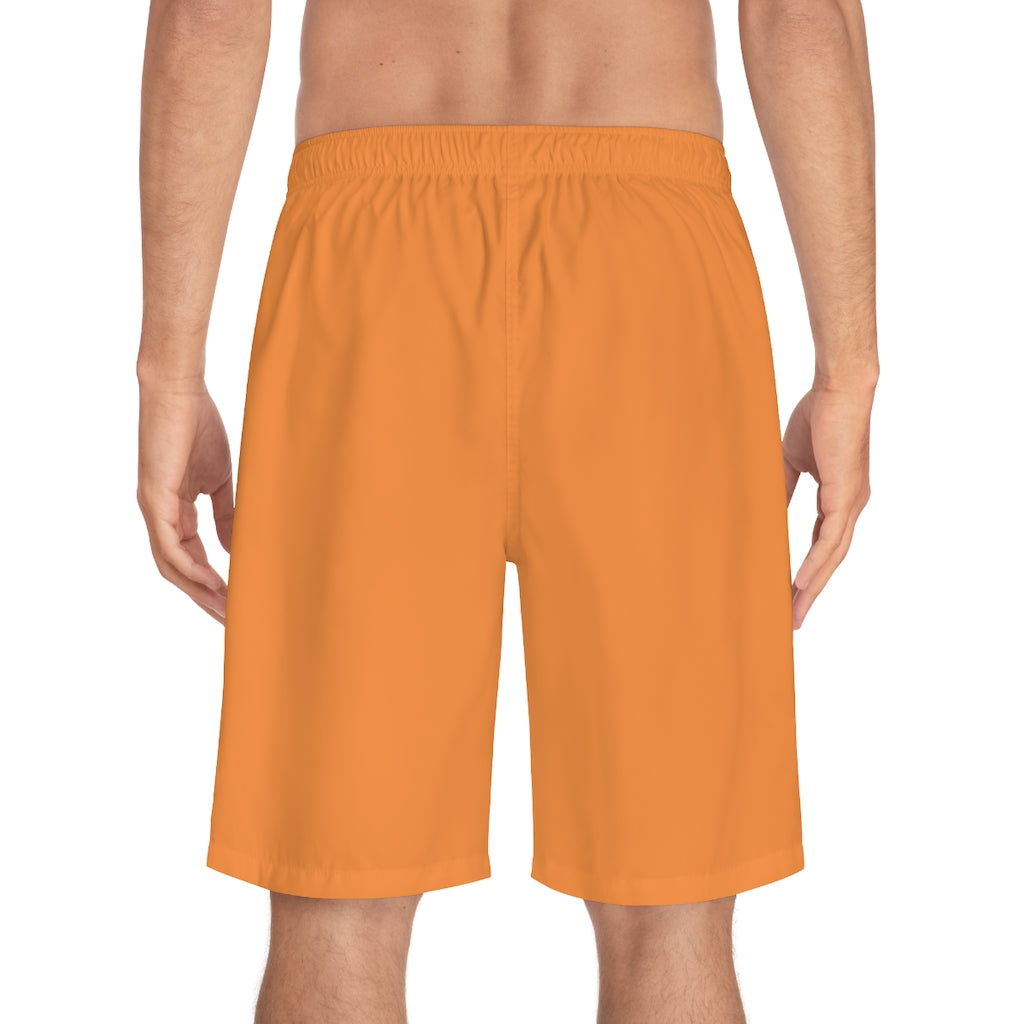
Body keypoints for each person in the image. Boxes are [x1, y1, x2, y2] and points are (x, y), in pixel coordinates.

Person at [136, 0, 877, 1020]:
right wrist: (848, 367)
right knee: (670, 911)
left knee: (336, 898)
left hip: (372, 258)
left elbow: (209, 18)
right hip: (650, 259)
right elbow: (799, 18)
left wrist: (169, 372)